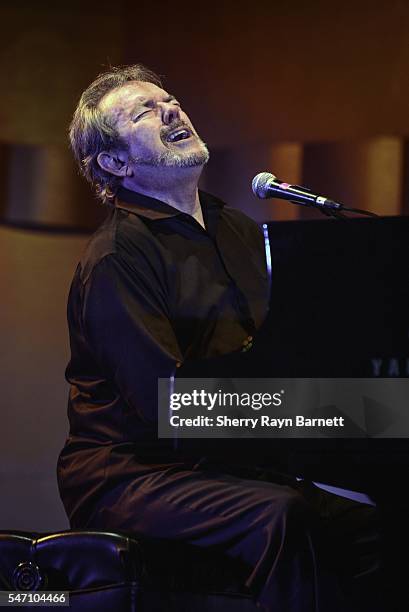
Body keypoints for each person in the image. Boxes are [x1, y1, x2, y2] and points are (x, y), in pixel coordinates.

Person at [57, 65, 386, 611]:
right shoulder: (117, 256)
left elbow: (281, 356)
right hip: (131, 475)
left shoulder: (235, 229)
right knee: (285, 516)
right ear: (115, 163)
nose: (171, 109)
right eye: (145, 110)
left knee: (374, 525)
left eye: (171, 99)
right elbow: (171, 405)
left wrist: (364, 409)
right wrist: (335, 414)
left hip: (223, 466)